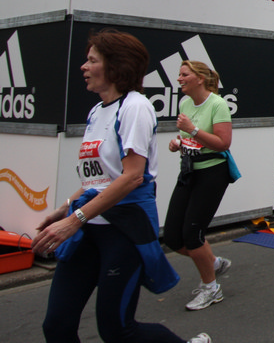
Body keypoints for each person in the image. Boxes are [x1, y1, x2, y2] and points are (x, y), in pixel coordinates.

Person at [33, 29, 210, 343]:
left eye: (92, 60)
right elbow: (99, 179)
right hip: (89, 228)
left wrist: (74, 220)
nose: (84, 67)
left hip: (123, 230)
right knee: (56, 326)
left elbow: (132, 177)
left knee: (117, 331)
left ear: (115, 66)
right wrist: (64, 209)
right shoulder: (96, 111)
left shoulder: (135, 107)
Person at [164, 60, 237, 311]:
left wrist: (192, 130)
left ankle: (211, 288)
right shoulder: (185, 103)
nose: (179, 79)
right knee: (172, 237)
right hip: (189, 171)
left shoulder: (217, 104)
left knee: (193, 235)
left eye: (184, 74)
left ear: (199, 78)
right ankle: (213, 262)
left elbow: (222, 143)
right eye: (179, 74)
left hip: (212, 173)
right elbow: (190, 140)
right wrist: (178, 143)